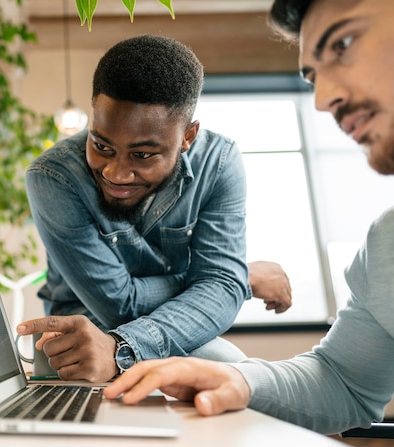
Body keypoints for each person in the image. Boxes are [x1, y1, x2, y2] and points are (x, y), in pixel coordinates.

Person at [103, 0, 394, 436]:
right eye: (313, 77)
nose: (323, 100)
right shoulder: (393, 241)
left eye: (343, 43)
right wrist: (239, 379)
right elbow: (345, 384)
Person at [18, 35, 291, 384]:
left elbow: (219, 285)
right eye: (101, 144)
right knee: (225, 364)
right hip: (80, 341)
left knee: (234, 372)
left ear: (187, 136)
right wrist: (241, 279)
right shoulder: (53, 177)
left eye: (143, 155)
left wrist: (225, 282)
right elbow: (119, 305)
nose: (115, 173)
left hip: (169, 327)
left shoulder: (218, 163)